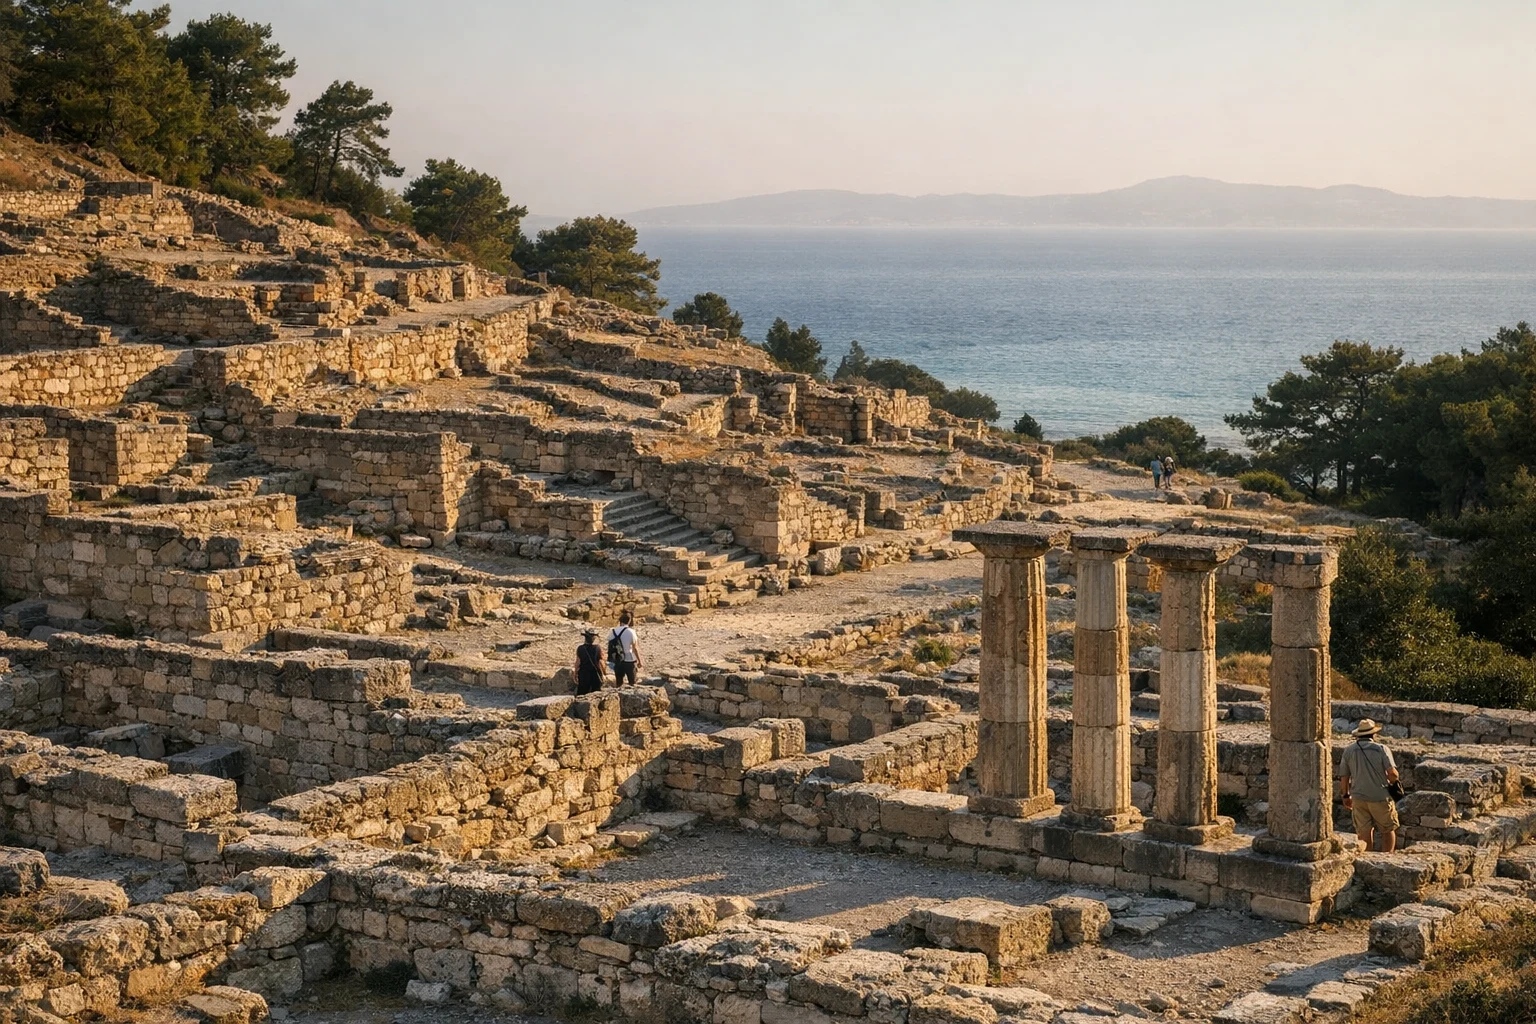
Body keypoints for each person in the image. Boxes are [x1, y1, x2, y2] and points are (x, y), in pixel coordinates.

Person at [1340, 718, 1401, 852]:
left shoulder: (1349, 751)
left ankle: (1367, 857)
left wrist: (1345, 795)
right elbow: (1393, 774)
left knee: (1364, 832)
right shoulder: (1381, 749)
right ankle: (1387, 856)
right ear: (1373, 734)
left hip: (1358, 797)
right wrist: (1392, 783)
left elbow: (1344, 776)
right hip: (1380, 795)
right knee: (1388, 829)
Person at [608, 611, 642, 685]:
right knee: (632, 682)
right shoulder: (631, 632)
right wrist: (639, 660)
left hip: (618, 659)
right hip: (629, 659)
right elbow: (635, 648)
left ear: (620, 620)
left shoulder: (612, 631)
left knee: (619, 682)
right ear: (629, 620)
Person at [574, 628, 606, 695]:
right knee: (596, 695)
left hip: (583, 674)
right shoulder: (598, 648)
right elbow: (601, 662)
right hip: (595, 674)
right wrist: (604, 673)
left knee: (582, 694)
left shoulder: (580, 648)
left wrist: (575, 673)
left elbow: (577, 663)